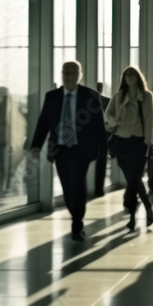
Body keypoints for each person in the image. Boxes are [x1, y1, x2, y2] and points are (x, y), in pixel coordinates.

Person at [29, 62, 107, 242]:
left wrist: (103, 150)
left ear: (80, 75)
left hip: (82, 150)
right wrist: (36, 146)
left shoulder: (90, 96)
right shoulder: (52, 97)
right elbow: (43, 123)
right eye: (65, 72)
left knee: (77, 184)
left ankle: (77, 222)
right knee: (67, 186)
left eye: (72, 72)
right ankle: (75, 213)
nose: (68, 76)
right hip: (60, 150)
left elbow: (99, 127)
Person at [105, 66, 153, 233]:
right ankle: (147, 207)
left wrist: (149, 143)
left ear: (137, 77)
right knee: (133, 181)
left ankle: (133, 217)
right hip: (122, 142)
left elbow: (149, 121)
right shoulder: (119, 96)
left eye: (132, 74)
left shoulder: (146, 96)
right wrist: (115, 121)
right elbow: (108, 116)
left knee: (134, 180)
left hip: (139, 142)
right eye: (126, 75)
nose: (128, 77)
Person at [0, 88, 26, 192]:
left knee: (5, 166)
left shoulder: (2, 107)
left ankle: (4, 186)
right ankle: (5, 186)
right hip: (7, 141)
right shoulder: (9, 106)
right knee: (6, 166)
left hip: (4, 141)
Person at [94, 82, 112, 198]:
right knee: (101, 161)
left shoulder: (88, 101)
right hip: (104, 134)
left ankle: (97, 188)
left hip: (97, 134)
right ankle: (99, 189)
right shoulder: (107, 101)